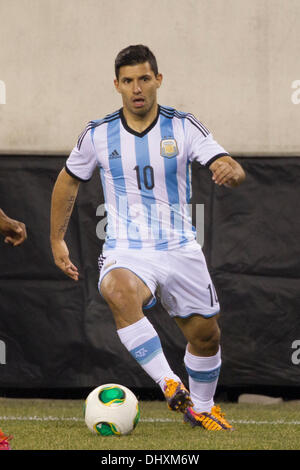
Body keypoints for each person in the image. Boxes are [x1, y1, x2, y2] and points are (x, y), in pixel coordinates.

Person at [50, 45, 245, 431]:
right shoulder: (99, 134)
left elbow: (229, 165)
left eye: (143, 78)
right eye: (127, 81)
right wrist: (57, 239)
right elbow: (69, 179)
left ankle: (202, 409)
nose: (136, 88)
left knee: (206, 337)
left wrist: (229, 169)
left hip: (179, 248)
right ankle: (169, 383)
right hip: (127, 248)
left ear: (158, 80)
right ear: (117, 86)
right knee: (118, 290)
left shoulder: (185, 126)